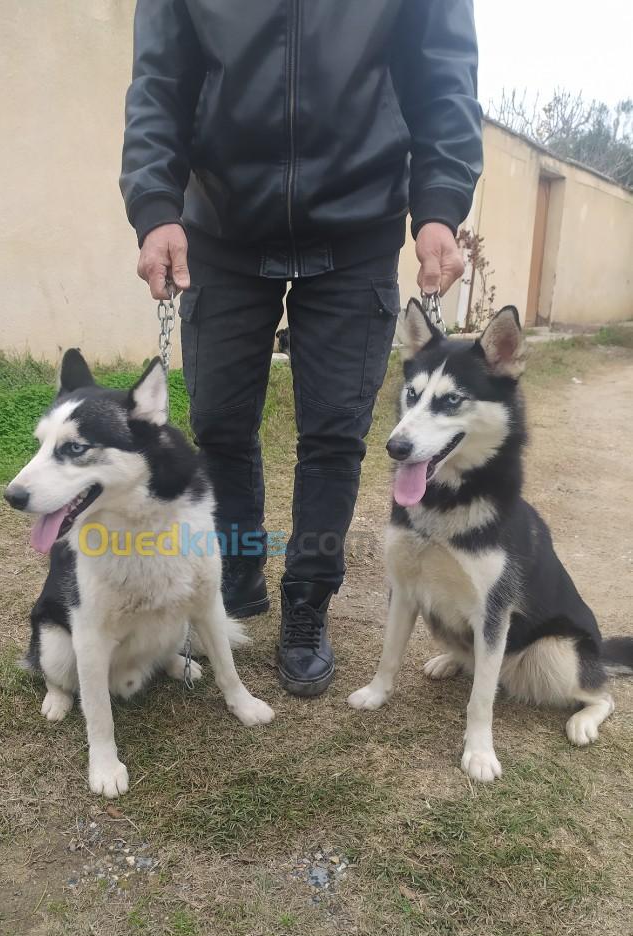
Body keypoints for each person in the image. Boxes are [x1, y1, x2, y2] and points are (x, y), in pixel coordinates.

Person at [120, 1, 482, 698]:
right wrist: (156, 207)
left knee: (334, 434)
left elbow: (442, 77)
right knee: (220, 424)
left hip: (358, 224)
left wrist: (437, 203)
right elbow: (159, 81)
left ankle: (307, 603)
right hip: (221, 224)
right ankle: (238, 575)